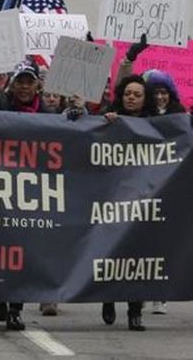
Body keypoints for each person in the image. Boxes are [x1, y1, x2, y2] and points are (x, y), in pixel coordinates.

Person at [0, 60, 50, 330]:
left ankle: (16, 310)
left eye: (28, 81)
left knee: (23, 252)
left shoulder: (46, 111)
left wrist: (77, 110)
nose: (24, 86)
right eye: (19, 81)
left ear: (37, 85)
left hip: (29, 192)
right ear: (12, 83)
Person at [100, 75, 155, 332]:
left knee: (138, 256)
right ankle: (108, 298)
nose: (131, 98)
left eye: (137, 94)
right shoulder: (108, 119)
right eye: (128, 93)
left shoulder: (156, 125)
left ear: (145, 99)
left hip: (142, 201)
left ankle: (135, 312)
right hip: (112, 198)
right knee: (112, 252)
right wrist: (106, 122)